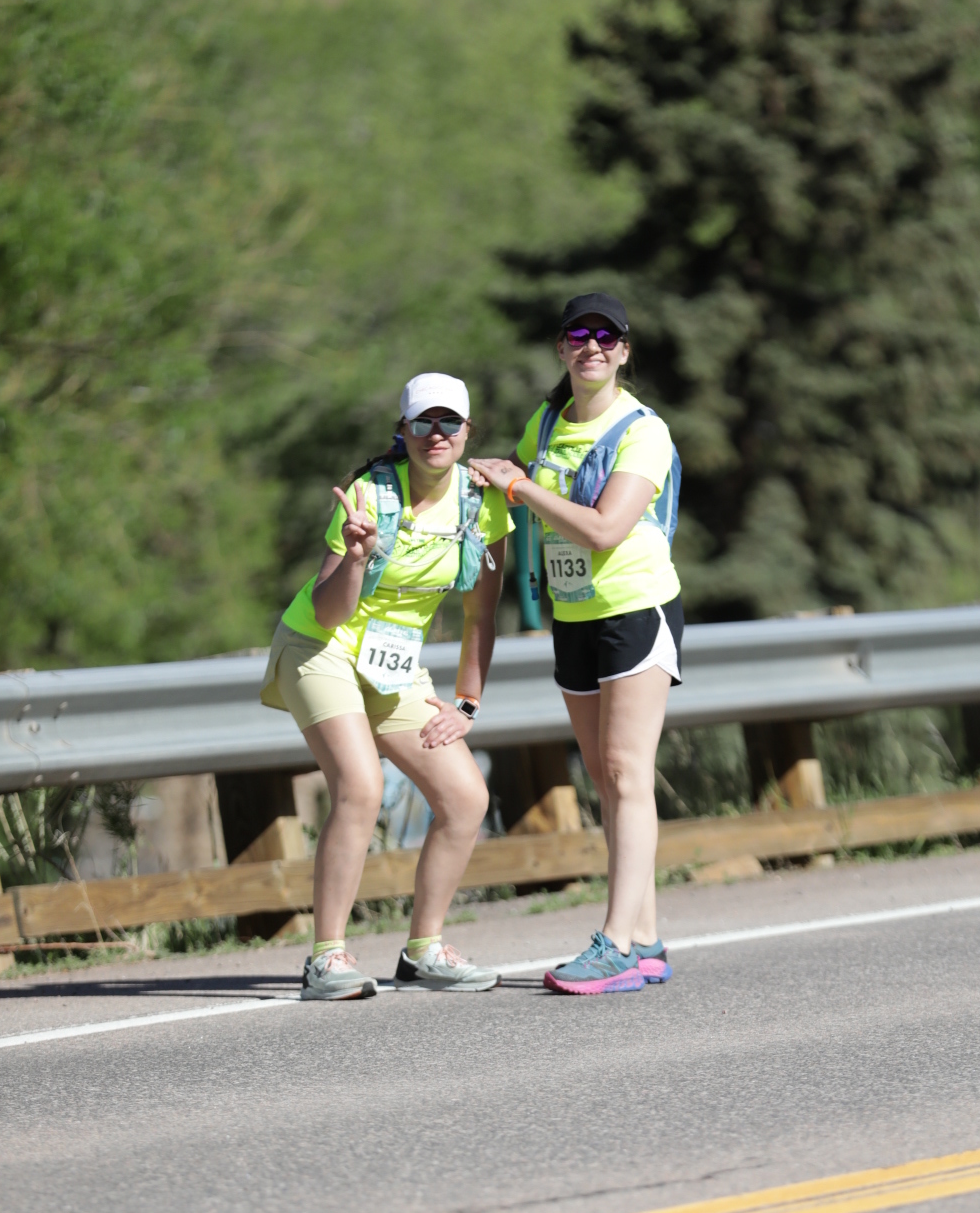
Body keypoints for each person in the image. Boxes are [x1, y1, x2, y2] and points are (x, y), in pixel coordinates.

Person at [261, 373, 509, 1000]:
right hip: (320, 647)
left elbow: (481, 615)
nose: (436, 434)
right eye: (423, 421)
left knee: (465, 798)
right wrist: (357, 557)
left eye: (449, 422)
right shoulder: (368, 494)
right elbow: (328, 614)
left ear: (468, 432)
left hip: (393, 665)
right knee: (362, 785)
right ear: (403, 430)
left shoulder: (484, 504)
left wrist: (467, 704)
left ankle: (424, 950)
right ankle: (327, 958)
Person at [469, 293, 682, 994]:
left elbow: (603, 529)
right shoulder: (547, 421)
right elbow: (510, 477)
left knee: (625, 771)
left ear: (624, 352)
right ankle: (646, 937)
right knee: (605, 776)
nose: (592, 346)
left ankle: (614, 943)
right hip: (574, 612)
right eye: (578, 335)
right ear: (561, 349)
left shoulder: (642, 431)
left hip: (634, 608)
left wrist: (520, 489)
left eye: (606, 337)